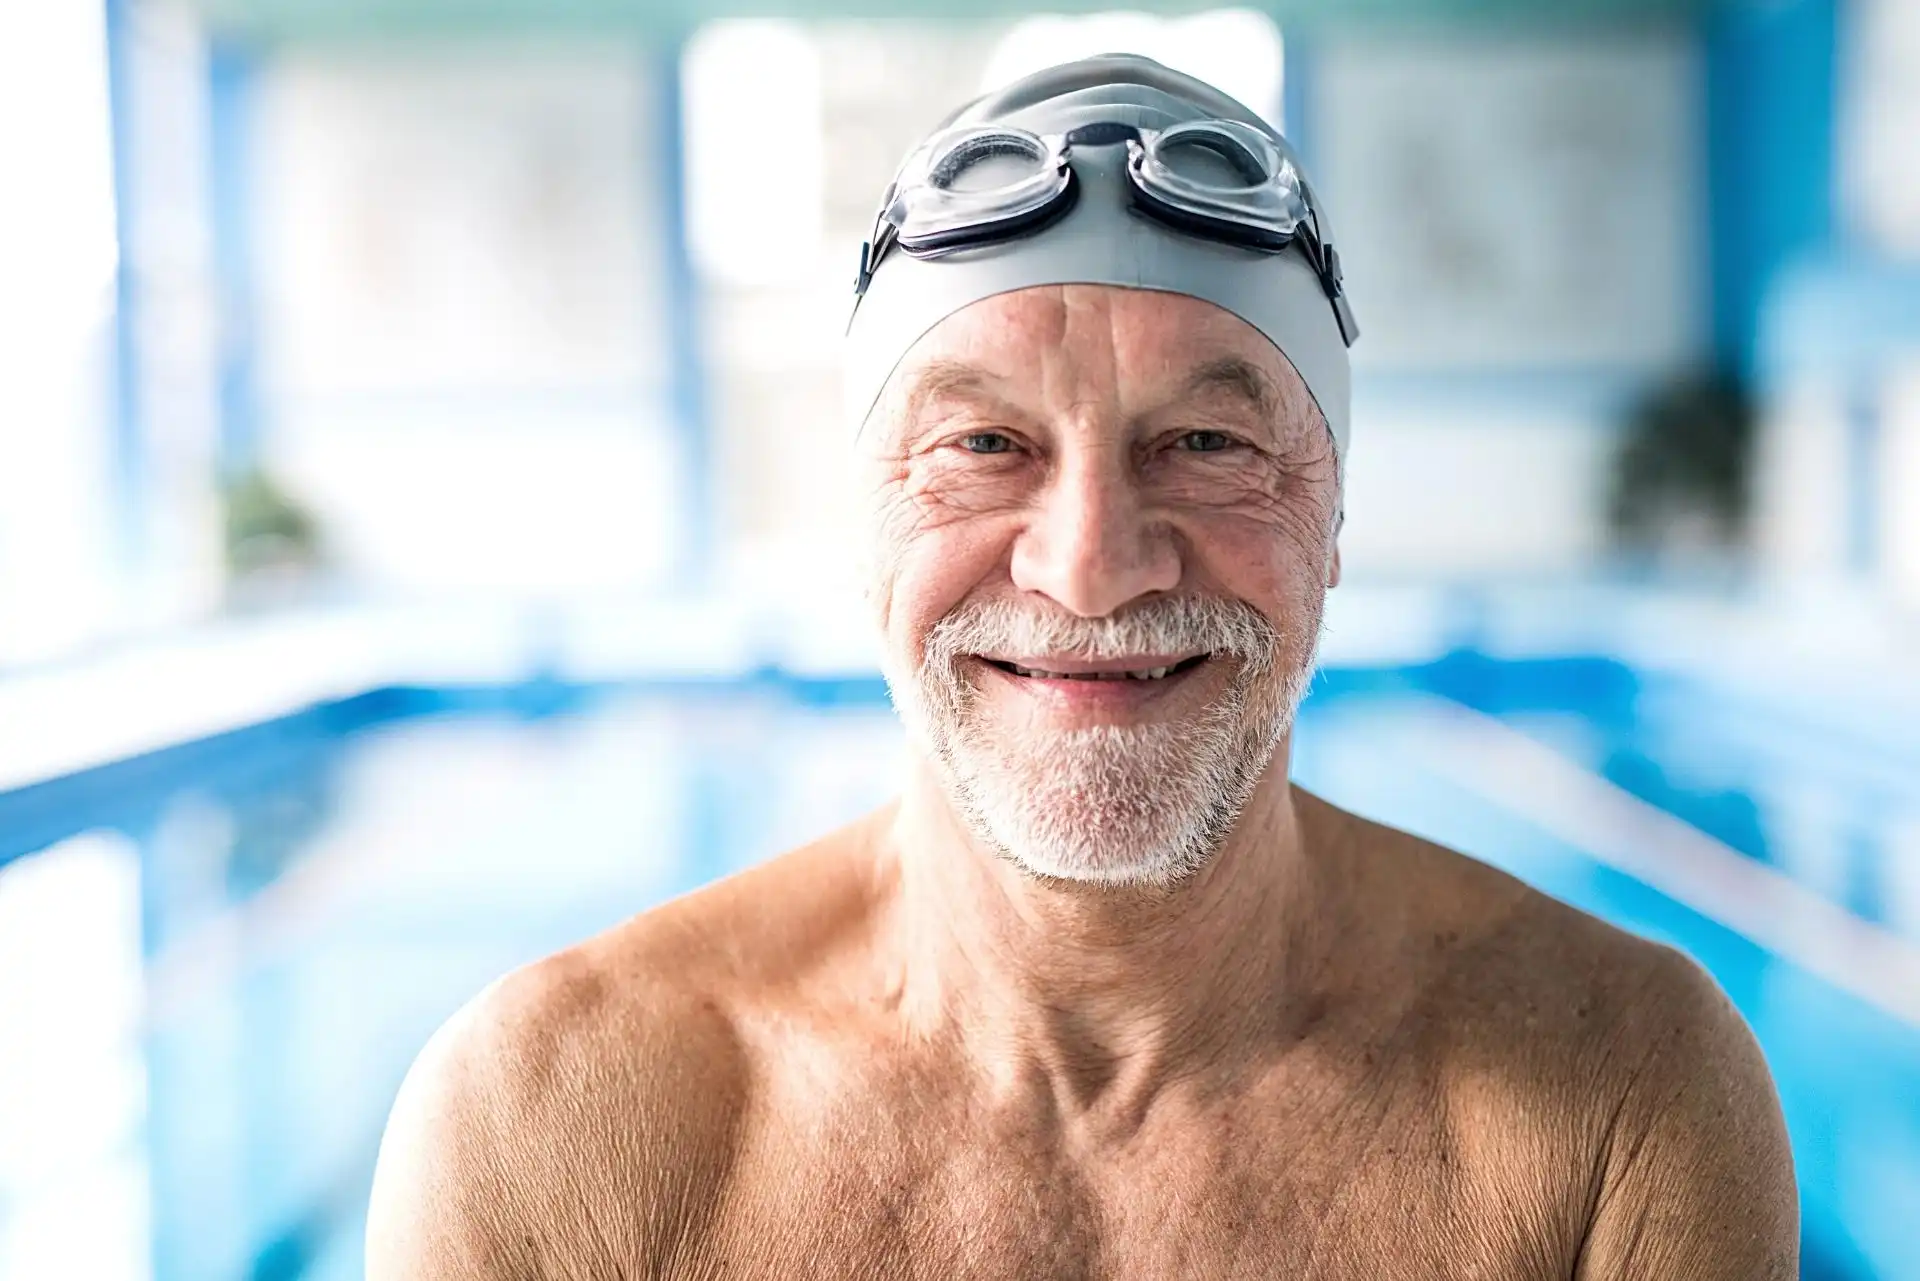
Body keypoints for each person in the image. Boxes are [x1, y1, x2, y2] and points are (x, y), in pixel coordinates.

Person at [366, 55, 1796, 1279]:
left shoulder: (1627, 1090)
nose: (1093, 564)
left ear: (1336, 517)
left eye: (1210, 445)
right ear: (860, 529)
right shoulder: (550, 1123)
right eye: (984, 446)